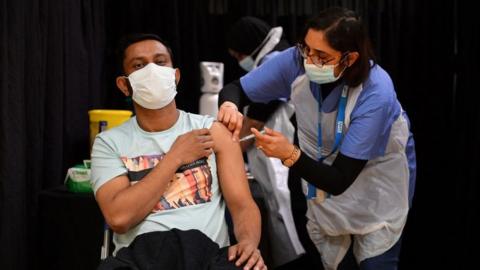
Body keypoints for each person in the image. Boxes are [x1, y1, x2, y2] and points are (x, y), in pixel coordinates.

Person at [217, 7, 416, 270]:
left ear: (350, 58)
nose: (309, 60)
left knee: (374, 261)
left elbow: (339, 179)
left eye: (321, 55)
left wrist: (289, 154)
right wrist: (230, 107)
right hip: (318, 174)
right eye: (306, 49)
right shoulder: (296, 60)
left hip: (374, 182)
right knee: (333, 261)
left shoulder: (376, 93)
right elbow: (236, 89)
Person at [90, 33, 266, 270]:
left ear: (176, 75)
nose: (152, 70)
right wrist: (175, 157)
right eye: (139, 65)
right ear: (124, 85)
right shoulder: (109, 142)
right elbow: (119, 218)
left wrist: (247, 243)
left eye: (160, 62)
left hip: (207, 259)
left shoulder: (212, 131)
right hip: (140, 261)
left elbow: (242, 205)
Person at [225, 17, 323, 269]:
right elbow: (236, 92)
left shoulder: (279, 62)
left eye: (238, 55)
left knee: (290, 212)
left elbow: (257, 114)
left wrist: (228, 152)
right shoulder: (283, 58)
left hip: (287, 151)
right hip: (284, 154)